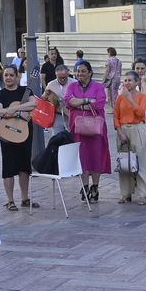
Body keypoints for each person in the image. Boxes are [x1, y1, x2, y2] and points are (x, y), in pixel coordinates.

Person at [0, 65, 39, 211]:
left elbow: (34, 103)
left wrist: (11, 110)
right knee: (8, 166)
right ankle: (10, 200)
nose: (8, 78)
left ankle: (25, 198)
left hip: (24, 132)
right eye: (6, 75)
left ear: (17, 76)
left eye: (11, 75)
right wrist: (18, 113)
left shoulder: (26, 91)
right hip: (7, 132)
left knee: (24, 166)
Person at [64, 61, 110, 202]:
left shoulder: (98, 87)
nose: (80, 74)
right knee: (82, 158)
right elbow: (68, 101)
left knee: (96, 157)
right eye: (78, 71)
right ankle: (84, 187)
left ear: (90, 72)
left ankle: (95, 187)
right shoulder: (71, 86)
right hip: (77, 129)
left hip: (95, 128)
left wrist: (79, 104)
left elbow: (99, 103)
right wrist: (87, 101)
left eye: (83, 71)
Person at [114, 70, 146, 204]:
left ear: (136, 82)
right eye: (125, 80)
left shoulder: (142, 96)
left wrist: (129, 99)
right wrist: (119, 131)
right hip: (123, 129)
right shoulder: (119, 98)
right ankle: (125, 193)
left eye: (130, 80)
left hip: (137, 128)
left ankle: (142, 194)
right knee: (124, 163)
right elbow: (116, 115)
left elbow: (141, 113)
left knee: (140, 162)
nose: (127, 83)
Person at [43, 61, 72, 140]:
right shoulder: (51, 84)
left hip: (70, 115)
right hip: (57, 115)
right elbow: (43, 99)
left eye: (64, 77)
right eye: (60, 77)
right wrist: (46, 95)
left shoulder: (74, 83)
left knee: (73, 139)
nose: (62, 79)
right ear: (56, 75)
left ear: (67, 74)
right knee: (57, 139)